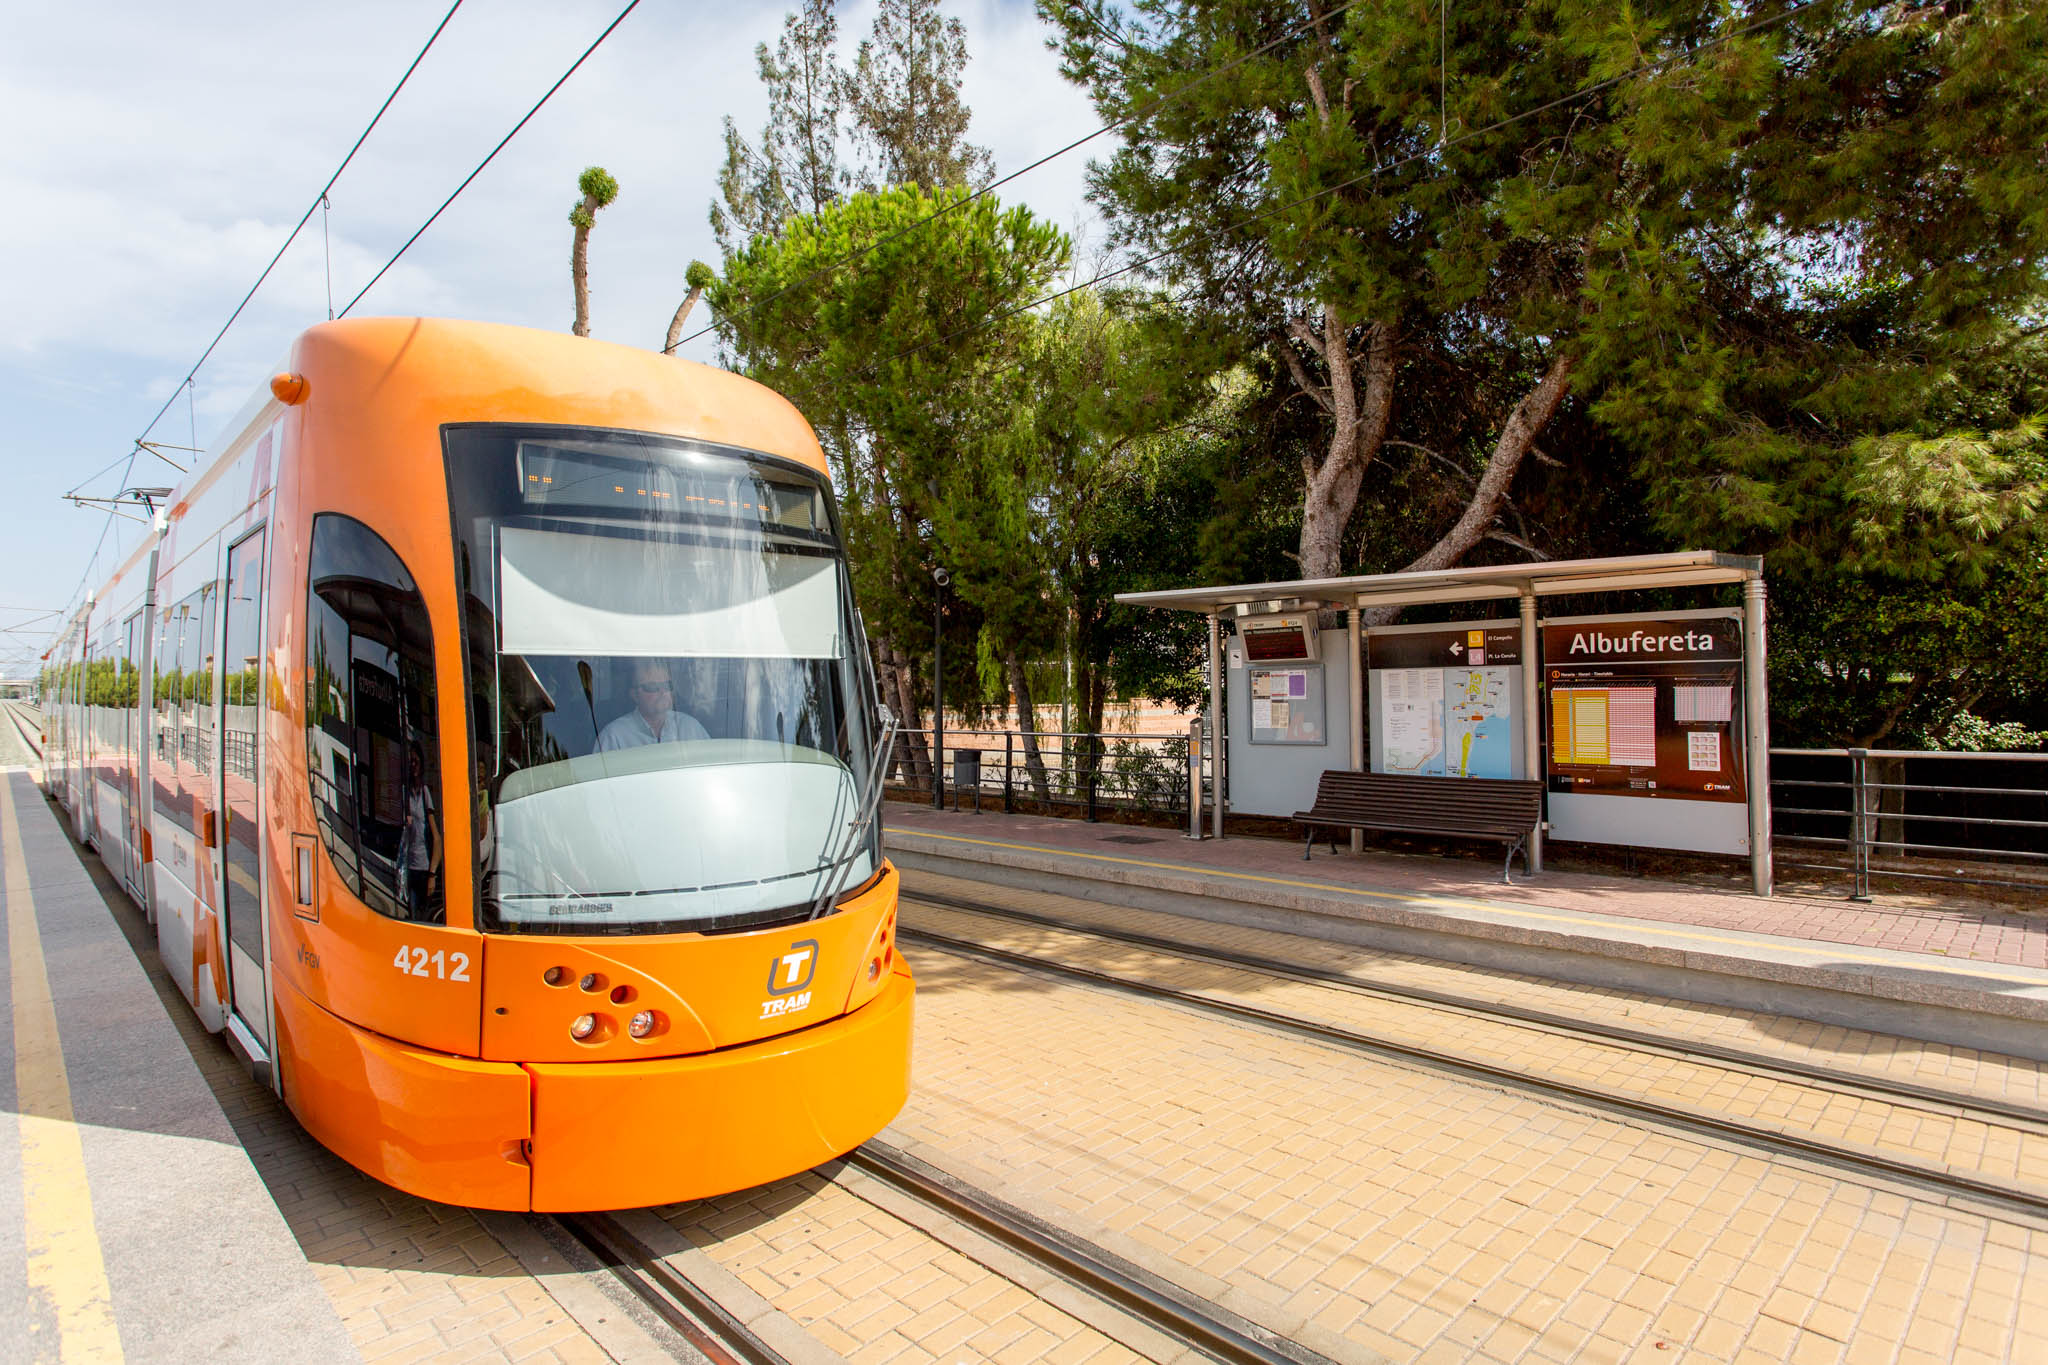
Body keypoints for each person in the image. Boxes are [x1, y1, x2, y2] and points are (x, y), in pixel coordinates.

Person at [597, 660, 710, 751]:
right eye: (652, 687)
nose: (662, 692)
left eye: (667, 685)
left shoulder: (690, 726)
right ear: (635, 695)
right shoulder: (614, 736)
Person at [395, 743, 441, 922]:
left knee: (421, 917)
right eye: (410, 762)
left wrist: (432, 875)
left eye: (416, 761)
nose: (413, 765)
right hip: (408, 865)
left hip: (423, 866)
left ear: (421, 764)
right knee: (412, 915)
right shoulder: (405, 792)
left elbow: (436, 837)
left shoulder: (424, 792)